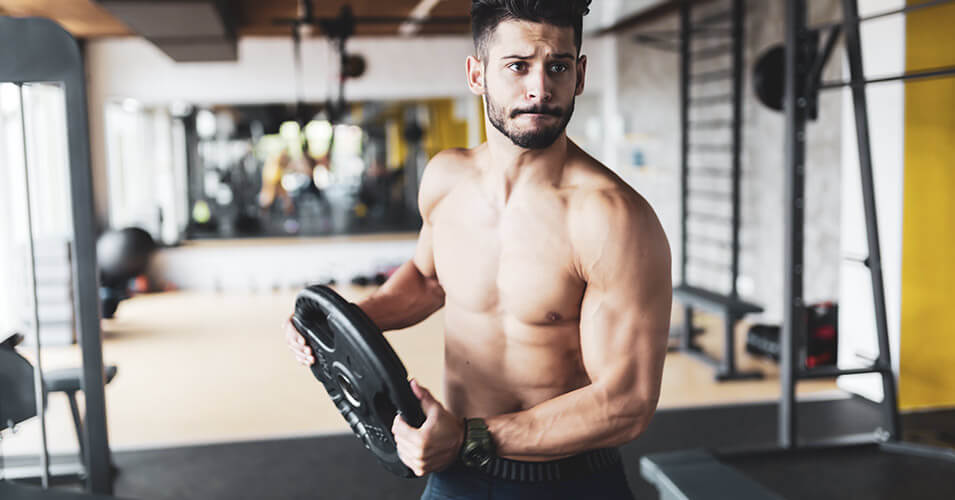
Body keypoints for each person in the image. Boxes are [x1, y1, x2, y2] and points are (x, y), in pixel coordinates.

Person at [284, 1, 671, 498]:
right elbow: (427, 280)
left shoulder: (612, 218)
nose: (540, 88)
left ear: (579, 75)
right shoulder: (447, 178)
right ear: (476, 74)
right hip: (457, 473)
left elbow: (627, 402)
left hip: (567, 480)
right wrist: (347, 324)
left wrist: (473, 438)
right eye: (517, 66)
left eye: (557, 66)